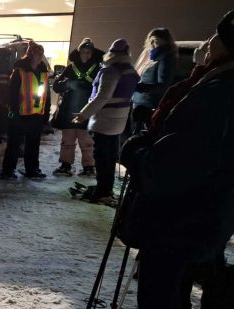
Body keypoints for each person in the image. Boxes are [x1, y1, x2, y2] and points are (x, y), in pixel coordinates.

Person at [118, 7, 234, 309]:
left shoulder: (218, 94)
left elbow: (172, 168)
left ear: (229, 45)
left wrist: (135, 151)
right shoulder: (223, 87)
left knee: (158, 301)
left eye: (216, 36)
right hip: (202, 218)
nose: (208, 43)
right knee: (169, 300)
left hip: (180, 220)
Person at [73, 38, 139, 205]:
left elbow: (102, 96)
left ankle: (102, 190)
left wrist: (83, 114)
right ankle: (106, 188)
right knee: (110, 156)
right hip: (120, 119)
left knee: (102, 157)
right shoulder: (130, 71)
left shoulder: (111, 71)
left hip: (105, 119)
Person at [51, 38, 104, 177]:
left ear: (92, 53)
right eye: (83, 52)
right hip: (69, 112)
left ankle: (89, 167)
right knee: (67, 140)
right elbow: (56, 87)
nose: (86, 55)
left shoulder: (99, 70)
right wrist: (68, 84)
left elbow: (103, 91)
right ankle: (66, 165)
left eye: (88, 52)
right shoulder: (70, 69)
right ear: (79, 52)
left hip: (87, 112)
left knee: (86, 142)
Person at [0, 41, 50, 179]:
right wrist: (13, 113)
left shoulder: (43, 72)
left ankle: (32, 170)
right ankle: (8, 170)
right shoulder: (19, 72)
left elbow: (46, 94)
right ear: (29, 54)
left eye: (41, 53)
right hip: (20, 114)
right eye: (36, 53)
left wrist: (46, 114)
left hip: (36, 115)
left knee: (33, 145)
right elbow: (12, 94)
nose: (39, 56)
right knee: (14, 144)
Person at [131, 28, 178, 133]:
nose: (152, 43)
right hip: (140, 105)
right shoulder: (153, 56)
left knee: (139, 139)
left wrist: (139, 87)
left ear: (165, 41)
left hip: (148, 107)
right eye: (150, 40)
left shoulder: (165, 58)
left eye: (156, 41)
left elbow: (163, 85)